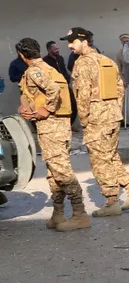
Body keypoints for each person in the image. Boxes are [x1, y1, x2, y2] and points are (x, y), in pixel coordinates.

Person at [64, 27, 129, 217]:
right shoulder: (106, 60)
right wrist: (114, 109)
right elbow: (120, 88)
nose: (69, 46)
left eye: (73, 41)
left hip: (96, 119)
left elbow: (82, 96)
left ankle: (111, 202)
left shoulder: (82, 63)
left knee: (99, 161)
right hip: (112, 116)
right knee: (110, 156)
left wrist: (83, 121)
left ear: (84, 42)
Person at [16, 37, 88, 231]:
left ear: (22, 55)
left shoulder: (35, 71)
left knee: (62, 171)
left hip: (51, 126)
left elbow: (53, 90)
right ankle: (58, 213)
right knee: (53, 172)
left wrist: (46, 109)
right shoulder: (50, 68)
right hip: (58, 126)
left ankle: (80, 214)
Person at [44, 40, 78, 127]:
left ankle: (69, 124)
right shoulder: (45, 61)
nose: (57, 50)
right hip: (55, 87)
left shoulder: (60, 58)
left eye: (57, 48)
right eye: (55, 49)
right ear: (49, 50)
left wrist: (67, 78)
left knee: (73, 104)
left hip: (65, 85)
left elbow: (63, 71)